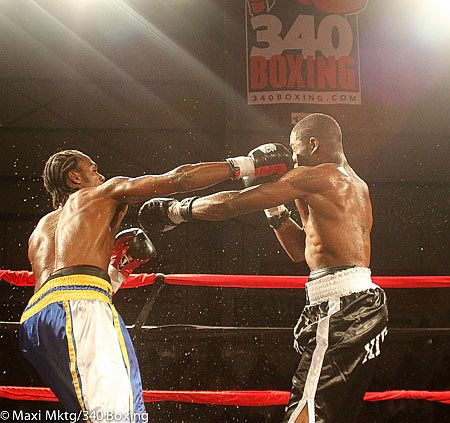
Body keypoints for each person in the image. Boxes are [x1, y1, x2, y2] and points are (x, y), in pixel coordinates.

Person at [139, 113, 389, 423]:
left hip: (340, 307)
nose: (291, 159)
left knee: (307, 409)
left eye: (294, 150)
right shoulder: (355, 184)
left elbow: (231, 203)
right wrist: (274, 205)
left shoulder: (315, 177)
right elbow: (301, 251)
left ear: (313, 144)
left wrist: (176, 211)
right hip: (356, 301)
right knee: (332, 412)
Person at [19, 145, 292, 422]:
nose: (101, 177)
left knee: (88, 413)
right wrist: (246, 164)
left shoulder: (41, 228)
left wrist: (117, 271)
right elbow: (178, 179)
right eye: (93, 170)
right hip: (80, 308)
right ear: (75, 178)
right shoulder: (102, 193)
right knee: (118, 415)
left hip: (34, 323)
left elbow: (60, 290)